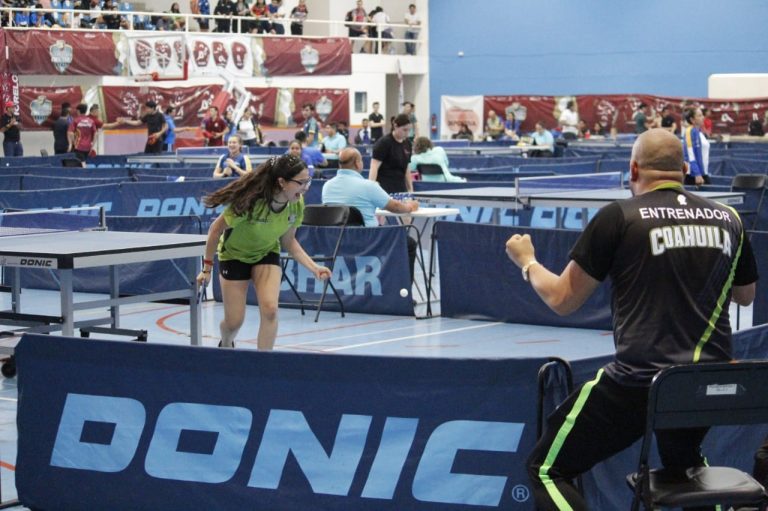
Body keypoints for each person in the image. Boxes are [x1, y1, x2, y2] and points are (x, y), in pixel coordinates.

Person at [505, 128, 758, 511]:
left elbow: (562, 300)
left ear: (634, 170)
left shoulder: (618, 218)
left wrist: (528, 262)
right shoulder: (729, 219)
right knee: (685, 464)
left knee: (545, 470)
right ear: (685, 169)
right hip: (707, 384)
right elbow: (745, 294)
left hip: (641, 382)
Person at [197, 154, 331, 350]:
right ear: (282, 182)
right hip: (234, 256)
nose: (306, 187)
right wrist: (207, 268)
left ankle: (263, 364)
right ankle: (226, 343)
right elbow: (215, 230)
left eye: (308, 180)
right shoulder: (250, 202)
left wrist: (314, 267)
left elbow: (288, 241)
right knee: (234, 322)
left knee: (270, 309)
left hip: (266, 253)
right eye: (301, 182)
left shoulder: (296, 203)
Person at [323, 147, 419, 282]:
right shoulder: (369, 186)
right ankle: (403, 294)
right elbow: (396, 207)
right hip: (367, 240)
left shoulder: (327, 186)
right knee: (409, 243)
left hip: (336, 241)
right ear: (357, 163)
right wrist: (410, 207)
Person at [369, 113, 412, 194]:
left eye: (409, 130)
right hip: (384, 187)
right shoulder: (384, 142)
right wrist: (371, 189)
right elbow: (374, 167)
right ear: (395, 126)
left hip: (401, 187)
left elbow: (407, 168)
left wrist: (410, 189)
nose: (407, 133)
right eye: (404, 130)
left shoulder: (408, 143)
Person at [683, 107, 711, 186]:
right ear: (692, 119)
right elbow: (690, 154)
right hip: (693, 176)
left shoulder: (699, 132)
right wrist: (697, 173)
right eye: (699, 115)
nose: (703, 117)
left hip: (703, 173)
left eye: (702, 115)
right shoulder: (689, 131)